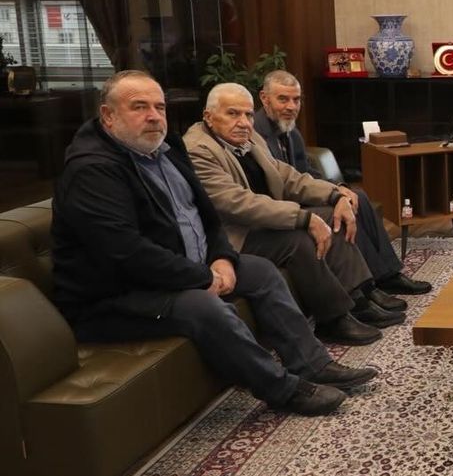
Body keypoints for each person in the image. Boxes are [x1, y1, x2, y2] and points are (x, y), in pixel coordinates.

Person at [51, 70, 376, 416]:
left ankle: (313, 364)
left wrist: (221, 257)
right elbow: (126, 253)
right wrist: (202, 277)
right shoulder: (92, 171)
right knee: (204, 307)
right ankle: (283, 390)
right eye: (139, 107)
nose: (153, 116)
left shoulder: (167, 148)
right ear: (108, 115)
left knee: (262, 272)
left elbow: (207, 215)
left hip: (182, 269)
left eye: (159, 107)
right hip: (117, 296)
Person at [185, 83, 406, 346]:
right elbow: (238, 203)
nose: (243, 122)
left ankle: (358, 298)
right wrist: (304, 218)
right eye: (232, 113)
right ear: (208, 116)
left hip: (265, 223)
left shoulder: (249, 138)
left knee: (331, 215)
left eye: (248, 114)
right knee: (299, 239)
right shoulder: (198, 149)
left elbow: (288, 177)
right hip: (234, 235)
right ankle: (332, 319)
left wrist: (335, 194)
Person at [254, 69, 431, 296]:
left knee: (358, 196)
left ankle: (388, 276)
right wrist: (331, 196)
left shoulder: (291, 131)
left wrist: (339, 188)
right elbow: (280, 185)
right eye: (283, 99)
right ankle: (366, 287)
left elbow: (307, 172)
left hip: (303, 193)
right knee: (339, 211)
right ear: (264, 98)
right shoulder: (255, 135)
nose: (291, 106)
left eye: (296, 100)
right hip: (281, 205)